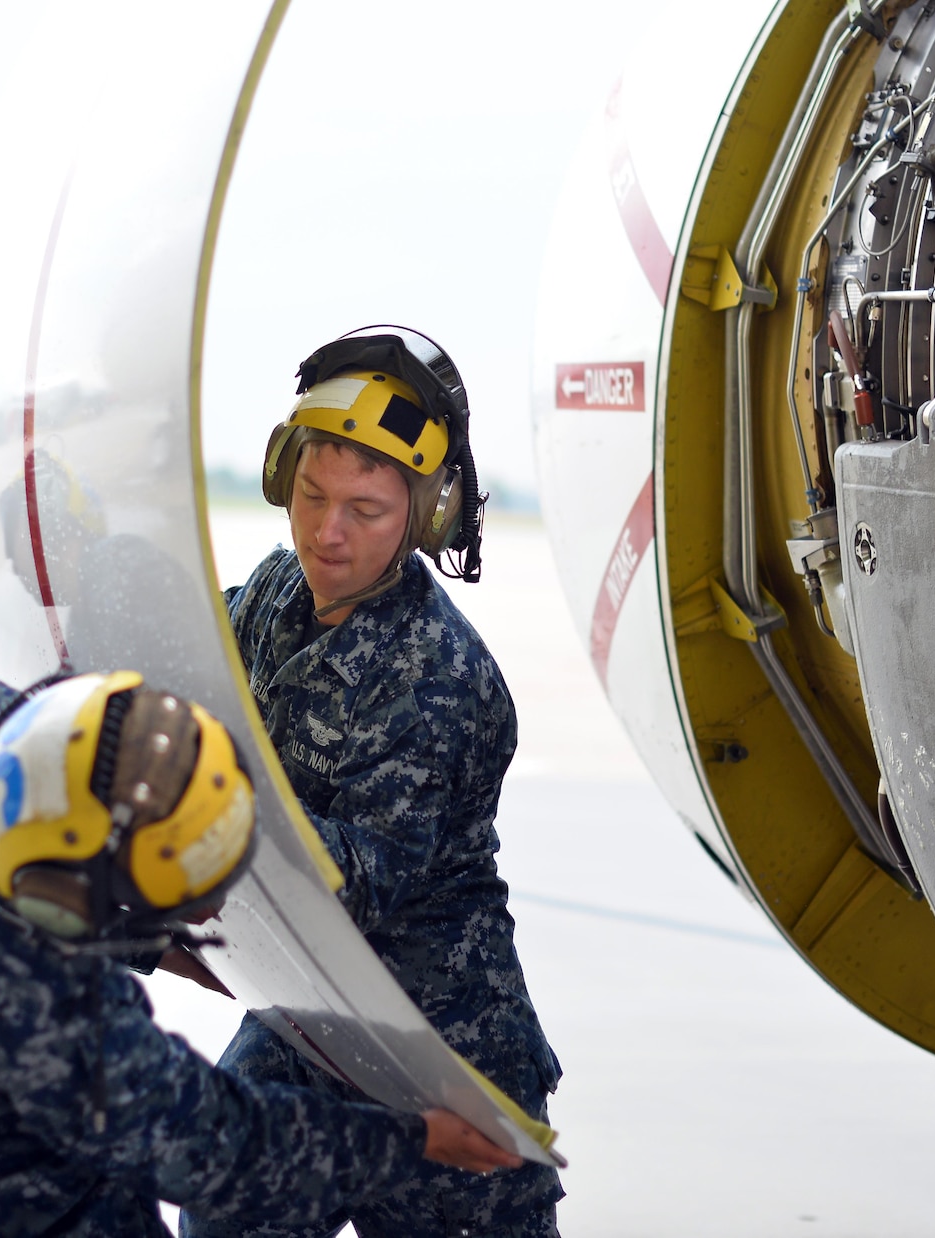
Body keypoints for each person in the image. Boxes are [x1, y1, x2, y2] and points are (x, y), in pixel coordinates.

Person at [0, 670, 520, 1235]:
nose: (215, 911)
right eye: (188, 896)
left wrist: (160, 940)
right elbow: (213, 1141)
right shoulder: (41, 1006)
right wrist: (410, 1140)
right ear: (80, 898)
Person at [181, 328, 563, 1238]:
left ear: (425, 519)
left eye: (366, 509)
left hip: (442, 1057)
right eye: (311, 495)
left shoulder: (441, 675)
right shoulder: (276, 595)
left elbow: (348, 883)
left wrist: (185, 849)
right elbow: (186, 688)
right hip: (311, 1022)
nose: (328, 532)